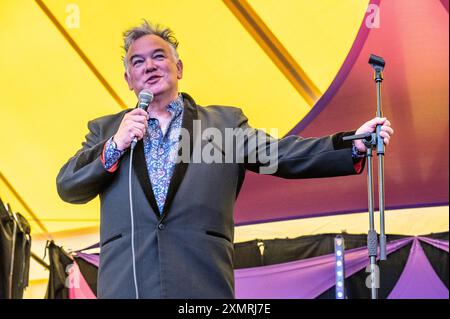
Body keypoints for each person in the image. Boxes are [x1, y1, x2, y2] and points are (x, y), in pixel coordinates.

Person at [56, 20, 394, 299]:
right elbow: (68, 186)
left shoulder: (221, 124)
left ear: (179, 67)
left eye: (159, 57)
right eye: (138, 62)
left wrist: (353, 144)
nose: (149, 66)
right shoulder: (106, 130)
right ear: (129, 79)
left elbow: (280, 155)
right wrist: (115, 144)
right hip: (127, 287)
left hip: (200, 284)